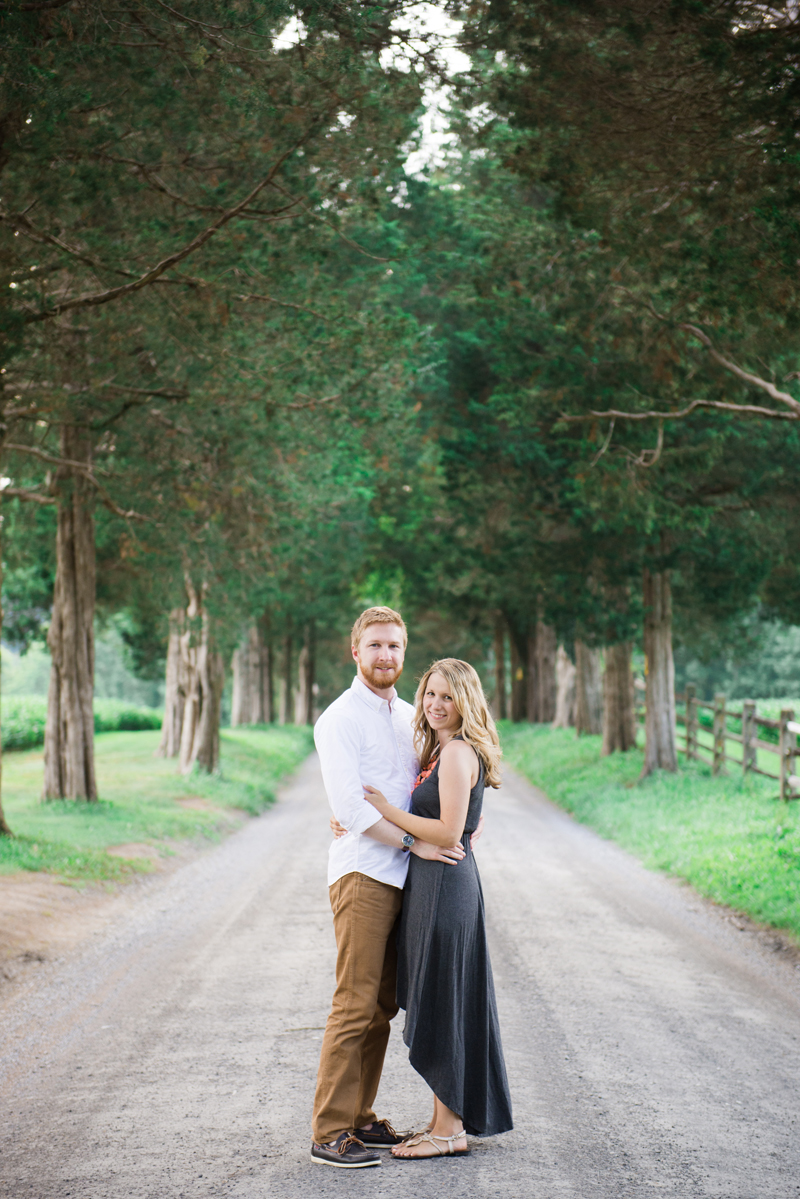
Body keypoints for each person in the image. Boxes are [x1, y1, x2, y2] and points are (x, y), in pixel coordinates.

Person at [310, 607, 470, 1169]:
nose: (385, 656)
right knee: (354, 1004)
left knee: (382, 1005)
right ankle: (329, 1131)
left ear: (405, 654)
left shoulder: (412, 717)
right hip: (365, 874)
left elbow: (429, 789)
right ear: (355, 652)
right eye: (375, 645)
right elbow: (350, 806)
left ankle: (359, 1117)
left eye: (395, 647)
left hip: (410, 881)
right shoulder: (339, 719)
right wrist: (410, 844)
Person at [363, 657, 513, 1160]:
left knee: (444, 999)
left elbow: (449, 833)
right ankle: (441, 1122)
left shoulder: (455, 754)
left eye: (447, 696)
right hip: (440, 885)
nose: (435, 704)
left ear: (465, 701)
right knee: (445, 996)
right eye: (429, 694)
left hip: (446, 888)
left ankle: (448, 1132)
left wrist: (385, 811)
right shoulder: (447, 752)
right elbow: (467, 823)